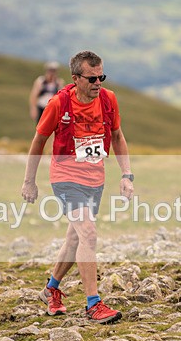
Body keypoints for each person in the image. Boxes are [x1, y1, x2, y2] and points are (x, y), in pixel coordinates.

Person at [21, 50, 134, 324]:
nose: (98, 83)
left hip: (95, 179)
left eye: (101, 77)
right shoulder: (59, 103)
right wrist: (29, 182)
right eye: (92, 78)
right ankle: (93, 304)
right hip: (65, 178)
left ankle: (51, 289)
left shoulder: (108, 100)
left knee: (75, 239)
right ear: (75, 78)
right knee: (89, 234)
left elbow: (117, 137)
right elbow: (38, 142)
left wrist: (126, 175)